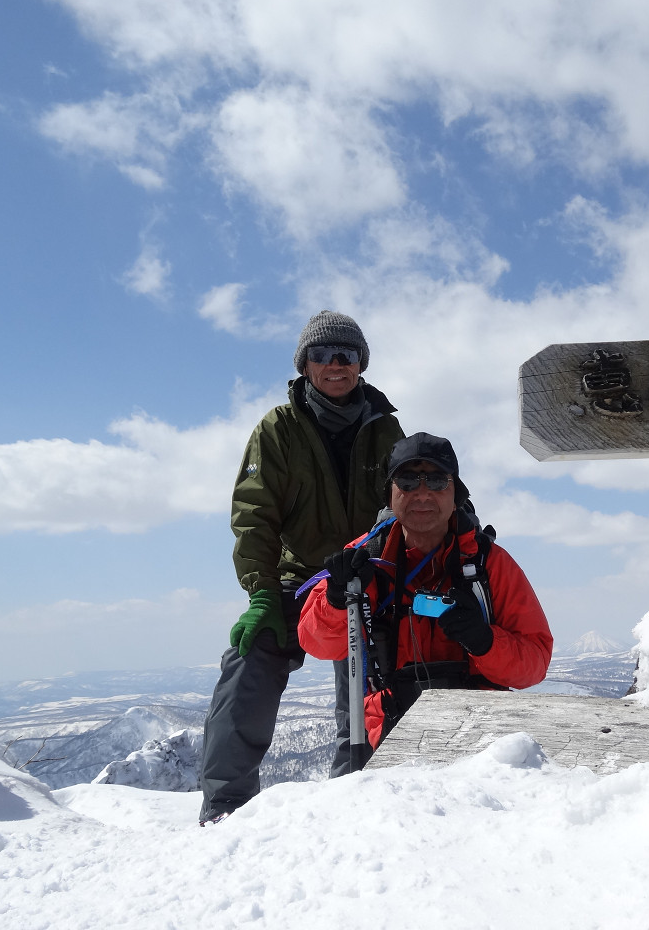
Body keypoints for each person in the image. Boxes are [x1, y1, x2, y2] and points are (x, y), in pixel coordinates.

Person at [198, 310, 404, 824]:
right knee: (249, 662)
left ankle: (357, 800)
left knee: (371, 682)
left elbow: (408, 500)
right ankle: (224, 811)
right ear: (304, 365)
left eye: (346, 355)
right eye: (321, 355)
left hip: (365, 575)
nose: (334, 365)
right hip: (299, 579)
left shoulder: (386, 428)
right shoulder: (278, 428)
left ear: (361, 364)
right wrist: (262, 593)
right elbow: (253, 515)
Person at [298, 432, 553, 763]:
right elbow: (315, 642)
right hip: (390, 727)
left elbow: (534, 663)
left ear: (455, 493)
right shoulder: (362, 559)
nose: (422, 493)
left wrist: (486, 642)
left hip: (482, 729)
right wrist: (334, 600)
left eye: (436, 480)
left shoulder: (489, 563)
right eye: (407, 480)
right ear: (390, 495)